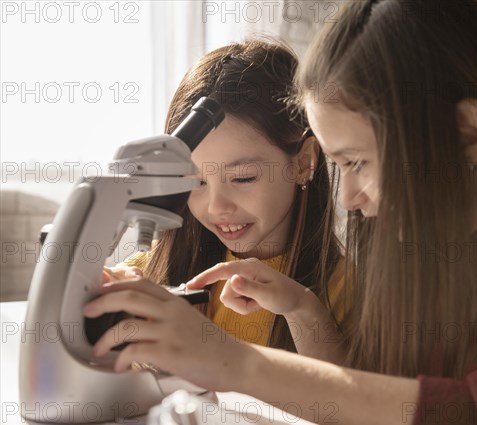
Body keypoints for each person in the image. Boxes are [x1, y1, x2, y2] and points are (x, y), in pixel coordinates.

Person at [85, 1, 477, 425]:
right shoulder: (412, 244)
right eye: (339, 165)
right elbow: (377, 396)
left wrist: (235, 363)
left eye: (359, 162)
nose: (349, 197)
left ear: (467, 134)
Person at [104, 39, 348, 361]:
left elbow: (341, 402)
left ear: (303, 164)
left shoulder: (346, 291)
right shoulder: (150, 276)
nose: (217, 207)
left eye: (243, 178)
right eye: (196, 181)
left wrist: (302, 310)